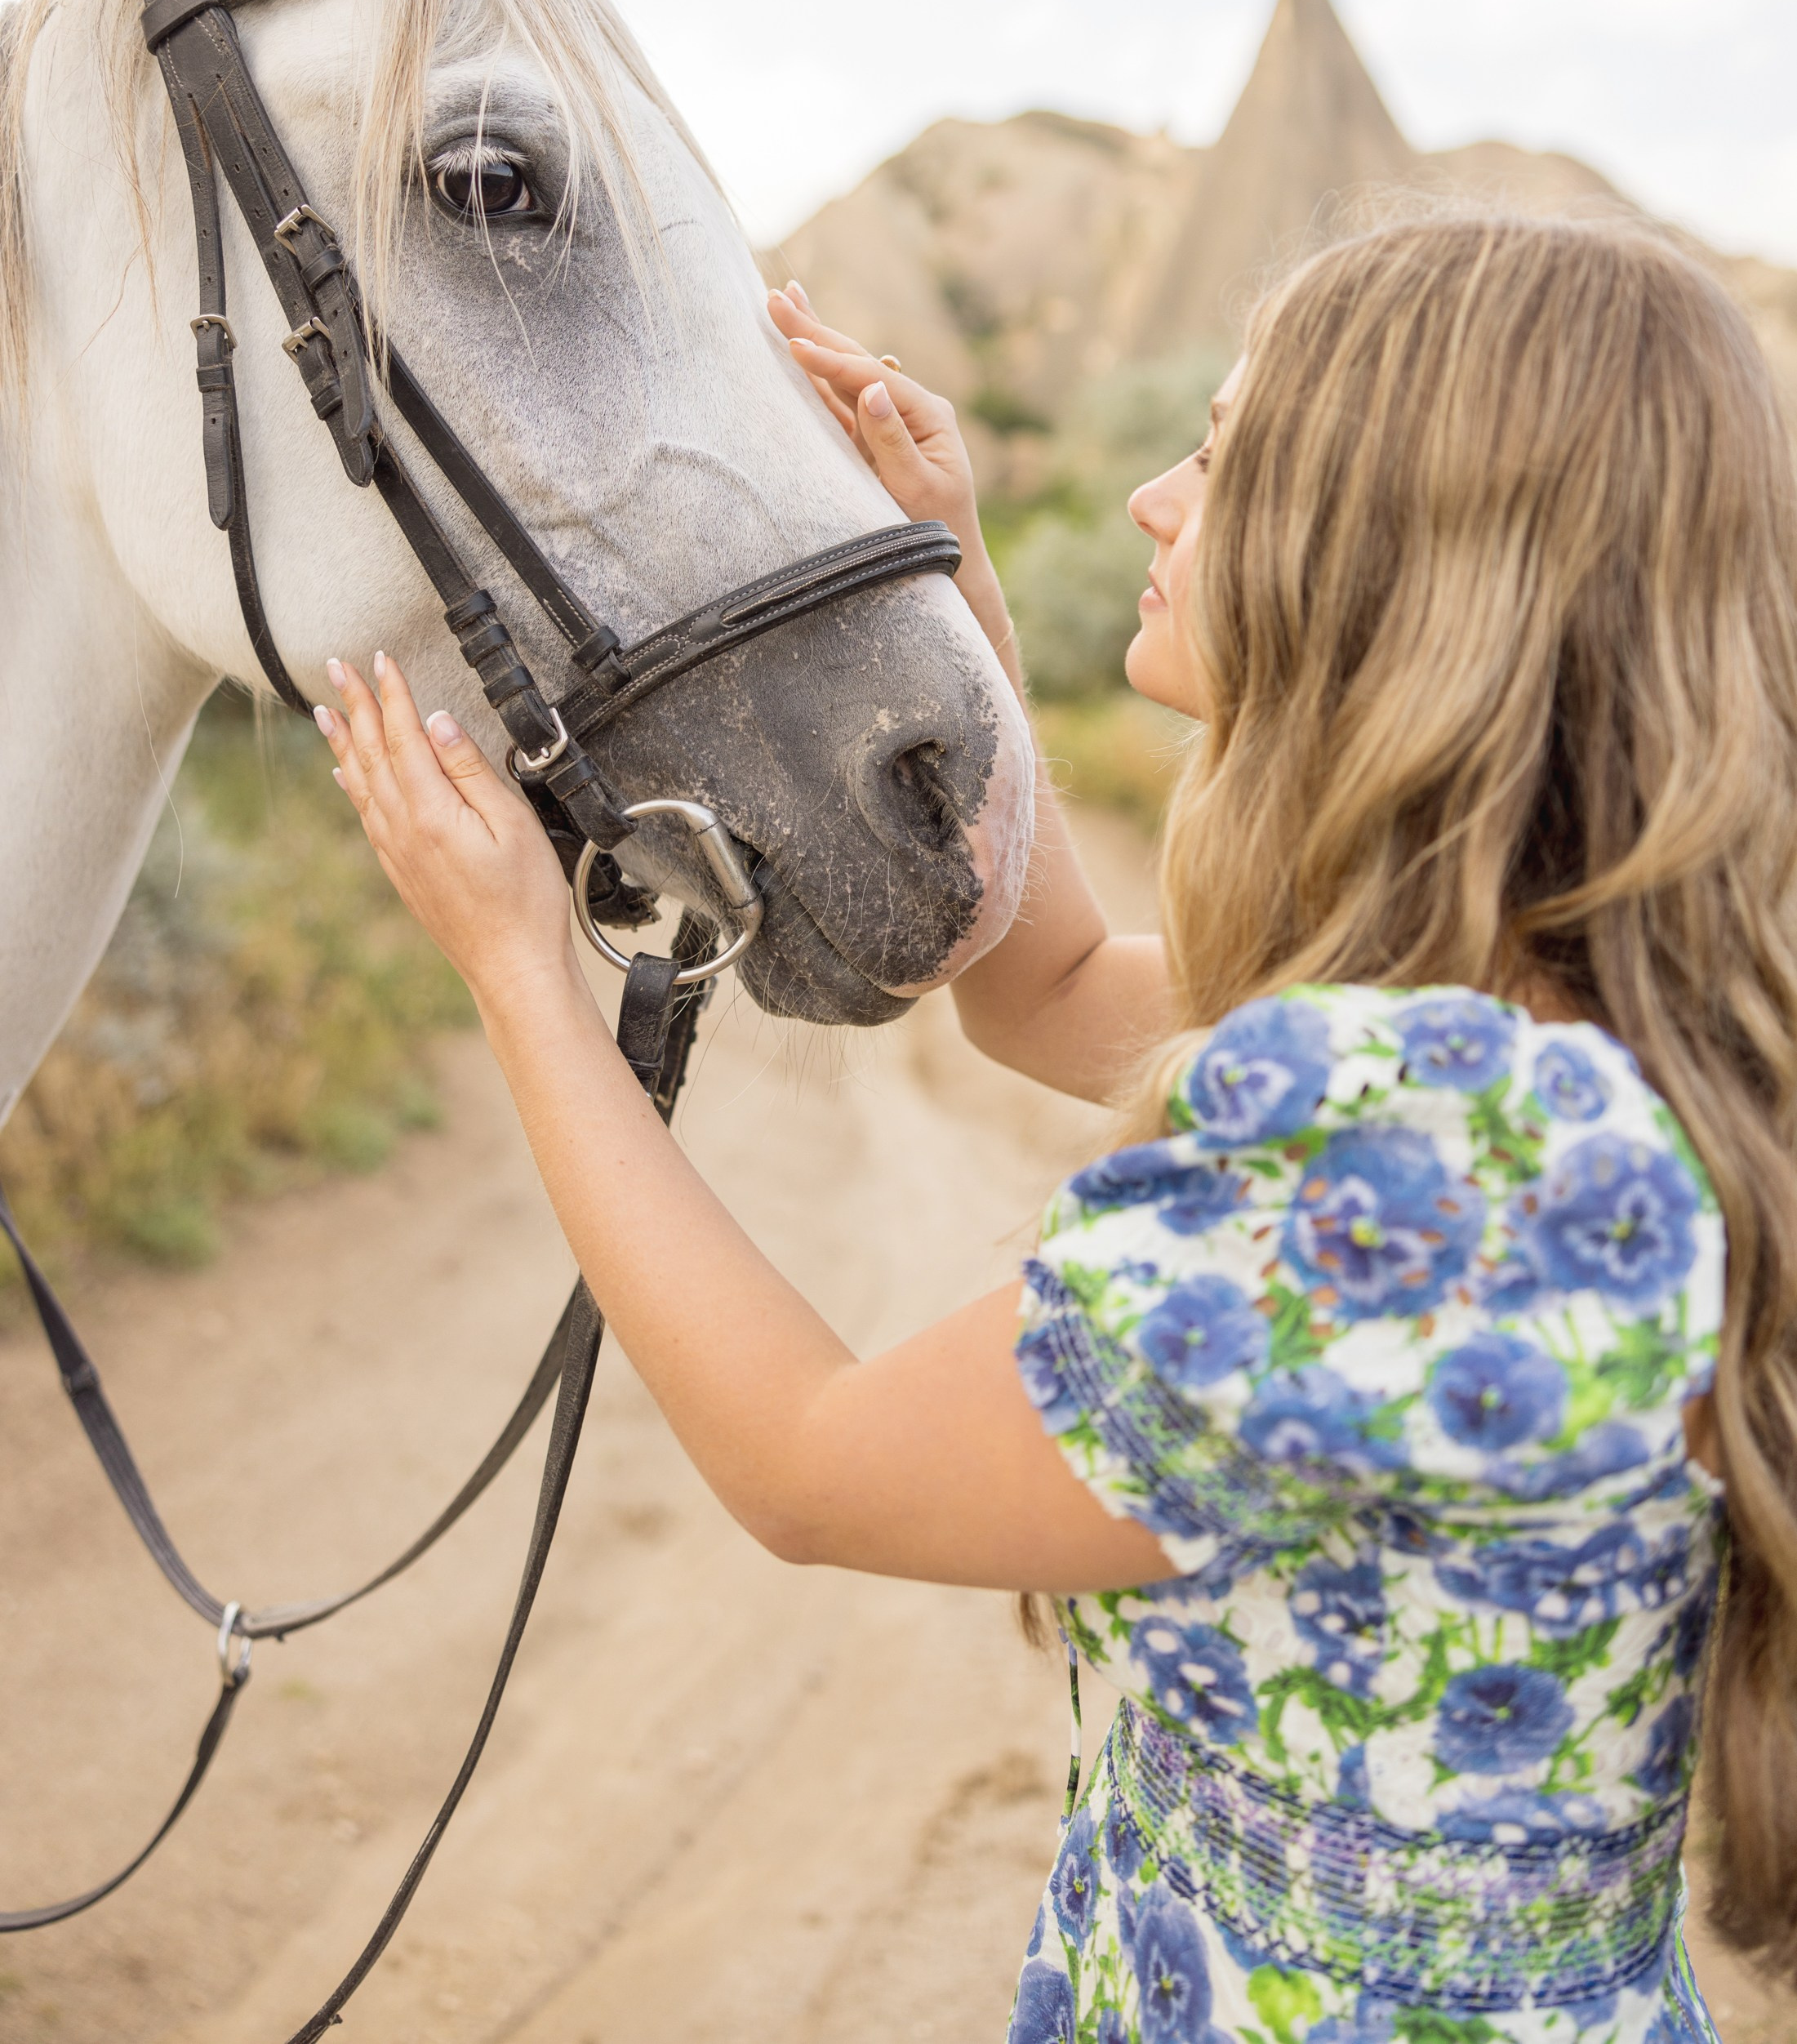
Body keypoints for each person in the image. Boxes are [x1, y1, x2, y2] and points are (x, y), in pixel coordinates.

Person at [312, 212, 1797, 2044]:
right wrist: (946, 570)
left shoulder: (1417, 1177)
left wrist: (519, 978)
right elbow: (1048, 983)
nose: (1155, 504)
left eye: (1224, 459)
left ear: (1397, 561)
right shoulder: (1539, 1040)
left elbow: (810, 1465)